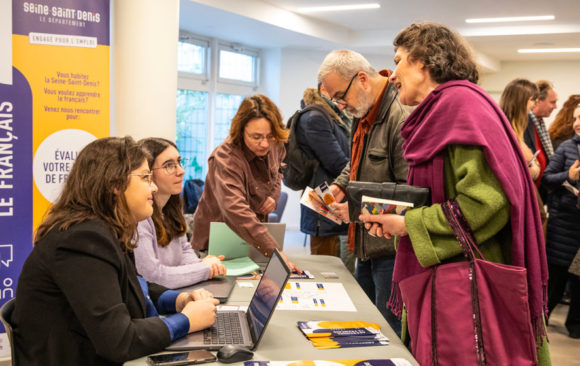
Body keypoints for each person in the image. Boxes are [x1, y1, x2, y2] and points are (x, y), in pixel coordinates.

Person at [358, 22, 550, 363]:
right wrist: (397, 216)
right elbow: (442, 193)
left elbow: (487, 201)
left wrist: (409, 225)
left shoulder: (459, 107)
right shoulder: (451, 106)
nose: (392, 74)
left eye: (398, 60)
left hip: (465, 287)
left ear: (423, 61)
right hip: (455, 277)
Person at [12, 137, 220, 365]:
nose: (152, 186)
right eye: (145, 177)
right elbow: (119, 341)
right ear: (115, 184)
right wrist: (186, 320)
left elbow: (134, 285)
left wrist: (179, 300)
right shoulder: (82, 239)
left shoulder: (106, 229)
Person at [317, 49, 412, 335]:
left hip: (391, 251)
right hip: (365, 245)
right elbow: (356, 162)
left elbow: (411, 195)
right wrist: (338, 186)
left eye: (340, 96)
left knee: (388, 334)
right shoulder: (364, 108)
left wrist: (357, 209)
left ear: (362, 79)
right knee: (366, 329)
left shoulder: (401, 116)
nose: (340, 105)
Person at [191, 94, 299, 272]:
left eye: (269, 136)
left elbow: (279, 171)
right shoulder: (225, 158)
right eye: (256, 137)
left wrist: (273, 195)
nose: (264, 144)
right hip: (216, 245)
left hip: (251, 240)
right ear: (241, 132)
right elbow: (236, 210)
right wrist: (275, 251)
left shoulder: (275, 144)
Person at [134, 138, 226, 289]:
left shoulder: (171, 207)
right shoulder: (140, 218)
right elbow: (152, 276)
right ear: (147, 174)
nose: (181, 171)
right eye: (169, 165)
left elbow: (184, 251)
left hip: (179, 291)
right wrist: (204, 268)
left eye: (179, 162)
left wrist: (205, 266)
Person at [296, 83, 354, 272]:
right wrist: (358, 171)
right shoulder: (316, 118)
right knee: (327, 266)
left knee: (337, 260)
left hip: (326, 190)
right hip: (322, 193)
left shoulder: (326, 115)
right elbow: (335, 161)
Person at [542, 102, 580, 339]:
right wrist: (569, 175)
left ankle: (575, 325)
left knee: (579, 285)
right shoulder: (566, 147)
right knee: (555, 280)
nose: (577, 123)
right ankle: (540, 321)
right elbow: (547, 179)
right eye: (576, 118)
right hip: (563, 226)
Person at [500, 79, 548, 233]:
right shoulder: (506, 130)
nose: (534, 104)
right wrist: (533, 168)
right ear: (523, 100)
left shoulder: (516, 127)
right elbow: (516, 170)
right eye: (533, 99)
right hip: (516, 201)